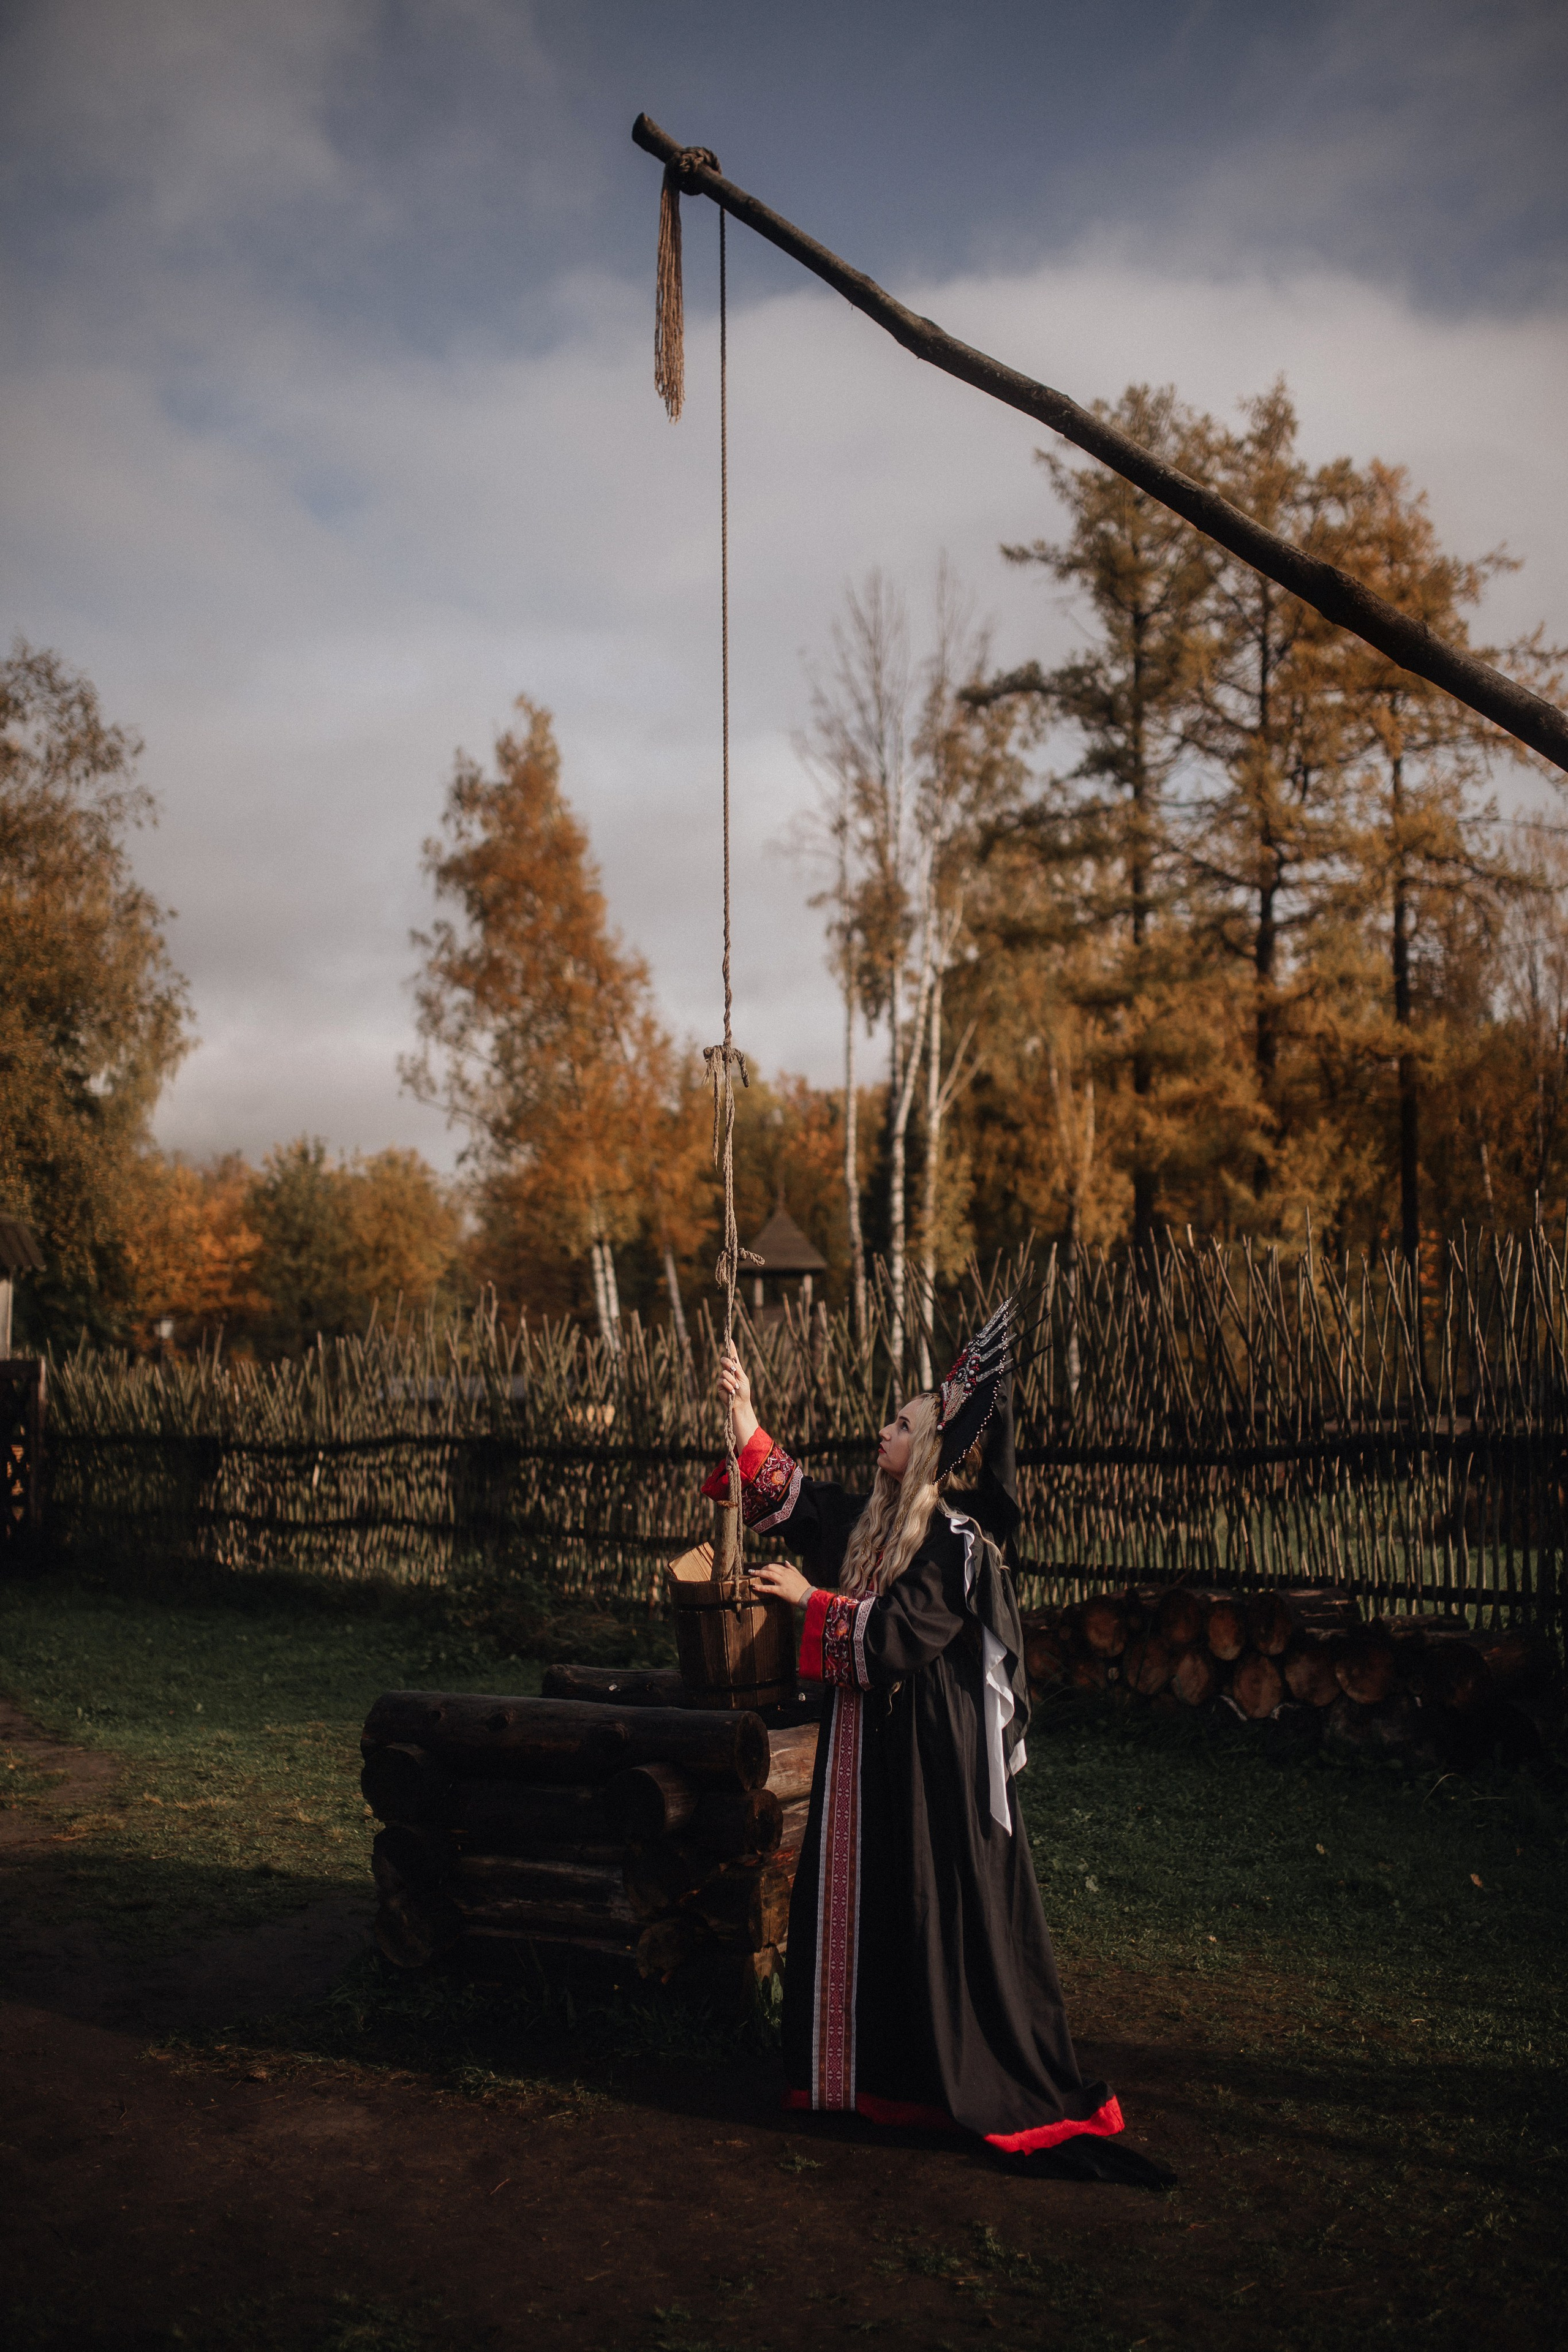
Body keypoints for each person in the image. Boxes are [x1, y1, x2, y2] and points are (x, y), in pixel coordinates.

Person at [703, 1300, 1171, 2185]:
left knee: (929, 1910)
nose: (887, 1428)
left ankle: (970, 2078)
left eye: (905, 1423)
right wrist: (745, 1417)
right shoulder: (875, 1520)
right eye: (894, 1418)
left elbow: (896, 1637)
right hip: (869, 1762)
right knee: (875, 1908)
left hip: (930, 1771)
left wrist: (810, 1604)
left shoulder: (955, 1543)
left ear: (934, 1450)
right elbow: (802, 1504)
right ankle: (879, 2079)